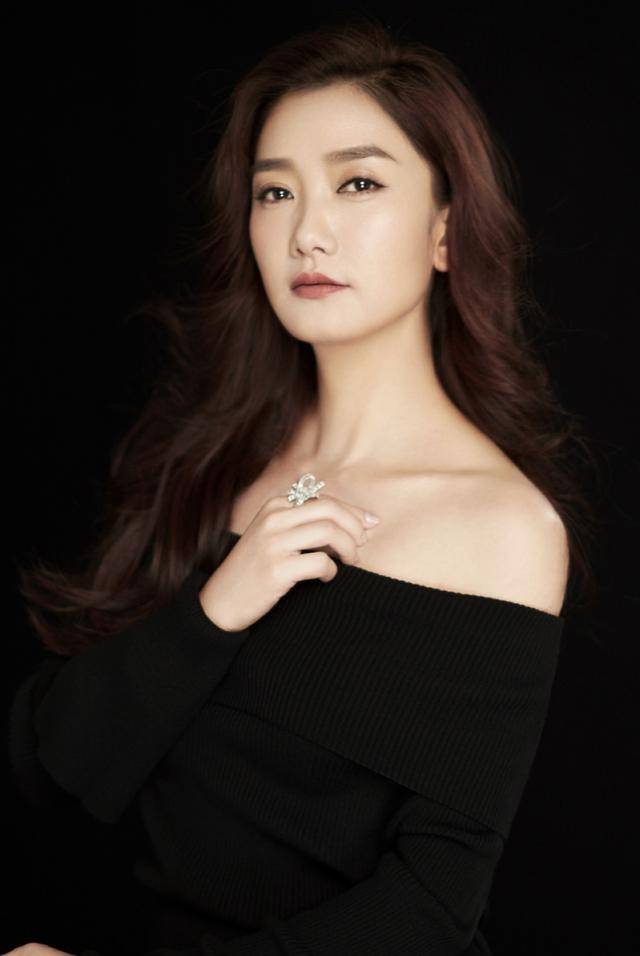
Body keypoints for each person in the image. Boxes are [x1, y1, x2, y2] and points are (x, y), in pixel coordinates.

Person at [7, 15, 599, 956]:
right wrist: (213, 611)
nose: (307, 233)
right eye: (275, 192)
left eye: (358, 183)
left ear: (446, 232)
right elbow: (54, 764)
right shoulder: (216, 455)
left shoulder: (503, 526)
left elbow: (430, 910)